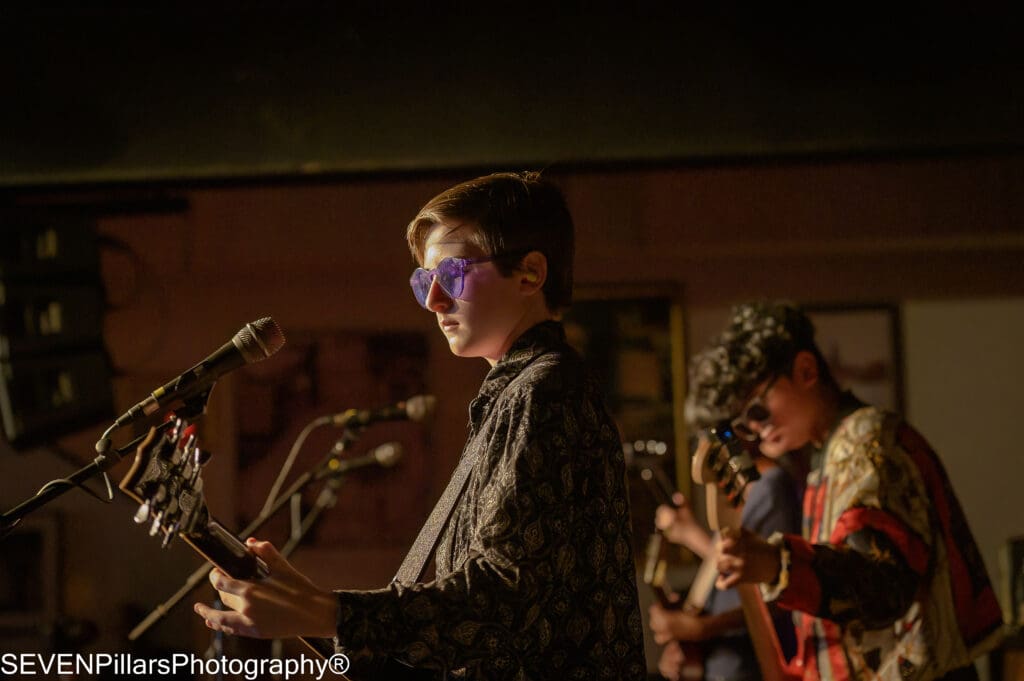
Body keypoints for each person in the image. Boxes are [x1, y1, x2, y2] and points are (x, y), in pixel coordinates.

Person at [194, 171, 647, 680]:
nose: (433, 300)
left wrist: (326, 611)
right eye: (422, 281)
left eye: (452, 274)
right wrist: (309, 605)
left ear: (530, 274)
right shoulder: (518, 394)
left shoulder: (543, 391)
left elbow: (505, 600)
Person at [686, 301, 1003, 681]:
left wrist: (778, 563)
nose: (755, 430)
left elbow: (885, 588)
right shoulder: (830, 452)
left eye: (757, 409)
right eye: (744, 424)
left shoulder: (866, 443)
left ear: (806, 370)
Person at [648, 448, 801, 681]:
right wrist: (687, 646)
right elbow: (732, 566)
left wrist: (701, 629)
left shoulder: (769, 486)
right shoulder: (745, 491)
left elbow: (779, 589)